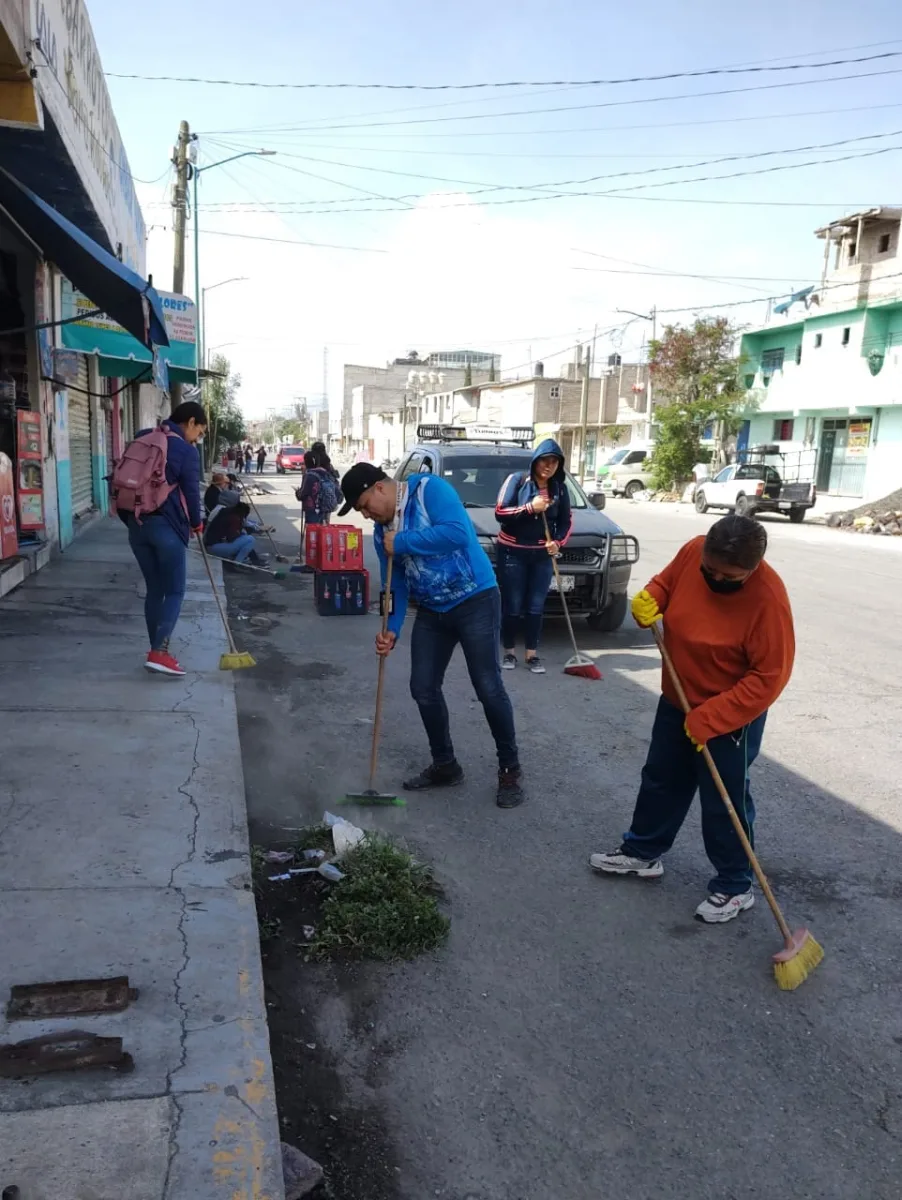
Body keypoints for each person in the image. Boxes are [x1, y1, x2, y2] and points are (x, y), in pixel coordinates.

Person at [590, 515, 795, 923]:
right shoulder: (692, 551)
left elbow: (769, 678)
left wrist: (713, 717)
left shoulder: (768, 600)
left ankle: (735, 884)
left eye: (729, 577)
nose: (716, 579)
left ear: (753, 569)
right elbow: (667, 584)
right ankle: (643, 852)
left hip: (730, 714)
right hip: (678, 696)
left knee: (724, 800)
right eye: (710, 570)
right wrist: (651, 597)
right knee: (662, 777)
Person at [339, 462, 524, 808]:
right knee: (422, 687)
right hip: (432, 610)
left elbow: (457, 533)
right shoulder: (382, 533)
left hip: (476, 599)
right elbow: (394, 583)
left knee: (488, 686)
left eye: (364, 505)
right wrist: (390, 630)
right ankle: (445, 765)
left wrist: (404, 540)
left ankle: (510, 769)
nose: (365, 515)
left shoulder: (429, 490)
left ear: (380, 487)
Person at [120, 400, 207, 677]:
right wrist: (197, 524)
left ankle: (156, 650)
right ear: (191, 422)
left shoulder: (143, 437)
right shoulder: (185, 450)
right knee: (176, 590)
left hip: (137, 525)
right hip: (167, 528)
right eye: (200, 431)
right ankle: (159, 652)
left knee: (155, 590)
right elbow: (192, 494)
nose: (199, 437)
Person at [494, 438, 572, 674]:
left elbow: (566, 521)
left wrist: (557, 542)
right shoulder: (517, 481)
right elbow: (500, 512)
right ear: (535, 461)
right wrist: (530, 507)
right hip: (512, 553)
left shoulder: (560, 489)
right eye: (544, 460)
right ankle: (509, 652)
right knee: (513, 605)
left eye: (554, 462)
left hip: (541, 556)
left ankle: (532, 655)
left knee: (536, 606)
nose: (549, 466)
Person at [297, 451, 337, 530]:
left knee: (312, 535)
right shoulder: (324, 473)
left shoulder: (309, 475)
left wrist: (297, 492)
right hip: (323, 509)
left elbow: (302, 495)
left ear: (306, 461)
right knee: (321, 533)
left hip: (312, 510)